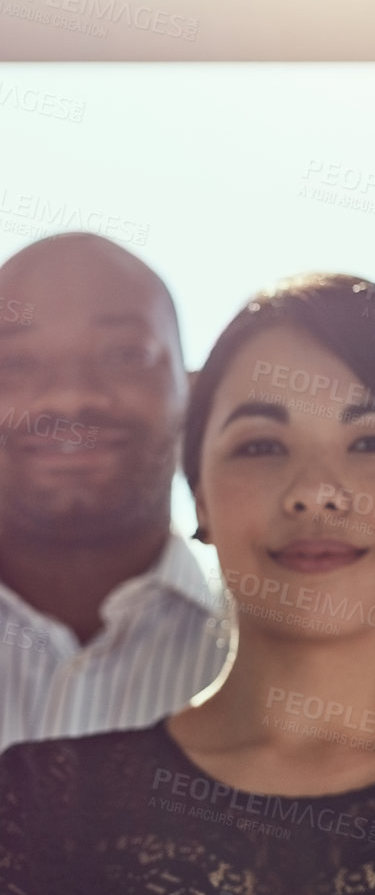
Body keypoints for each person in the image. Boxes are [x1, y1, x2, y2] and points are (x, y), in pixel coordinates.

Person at [0, 274, 375, 893]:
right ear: (199, 499)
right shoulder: (33, 805)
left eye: (372, 441)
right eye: (262, 446)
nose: (314, 493)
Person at [0, 232, 227, 753]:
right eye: (14, 362)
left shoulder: (294, 661)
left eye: (126, 354)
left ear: (192, 394)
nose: (69, 397)